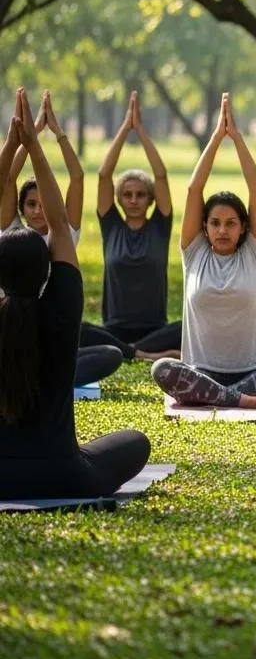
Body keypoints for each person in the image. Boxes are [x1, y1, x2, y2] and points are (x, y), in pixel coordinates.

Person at [0, 88, 150, 499]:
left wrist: (12, 146)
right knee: (135, 441)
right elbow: (60, 227)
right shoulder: (62, 309)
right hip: (63, 474)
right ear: (46, 267)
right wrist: (35, 146)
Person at [151, 94, 256, 409]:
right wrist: (215, 139)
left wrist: (236, 138)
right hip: (200, 371)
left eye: (231, 223)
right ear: (204, 227)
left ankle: (225, 397)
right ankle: (245, 400)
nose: (222, 230)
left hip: (252, 372)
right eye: (215, 223)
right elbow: (194, 189)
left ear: (243, 227)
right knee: (163, 369)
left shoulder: (255, 255)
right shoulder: (194, 253)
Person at [0, 91, 121, 388]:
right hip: (14, 332)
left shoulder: (62, 235)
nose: (38, 210)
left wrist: (57, 135)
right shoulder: (11, 233)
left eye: (44, 204)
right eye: (31, 204)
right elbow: (8, 180)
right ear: (21, 208)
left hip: (49, 332)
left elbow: (77, 177)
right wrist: (26, 141)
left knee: (109, 352)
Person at [81, 91, 182, 362]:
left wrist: (142, 132)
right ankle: (141, 353)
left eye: (141, 194)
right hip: (114, 327)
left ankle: (129, 350)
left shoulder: (160, 226)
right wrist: (126, 128)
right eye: (127, 195)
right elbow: (104, 175)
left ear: (151, 199)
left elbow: (160, 175)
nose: (134, 200)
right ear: (119, 199)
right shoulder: (111, 226)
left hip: (155, 328)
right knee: (79, 330)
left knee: (188, 327)